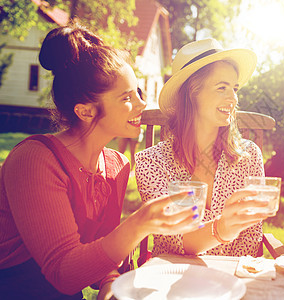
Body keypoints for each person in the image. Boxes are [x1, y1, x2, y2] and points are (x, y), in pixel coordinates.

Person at [0, 24, 199, 300]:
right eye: (127, 98)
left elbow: (99, 250)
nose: (142, 105)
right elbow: (63, 274)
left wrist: (109, 282)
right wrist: (139, 224)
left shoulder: (117, 165)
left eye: (138, 93)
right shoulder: (34, 160)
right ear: (85, 110)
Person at [135, 38, 271, 258]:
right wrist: (223, 228)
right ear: (192, 92)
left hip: (232, 281)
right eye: (222, 88)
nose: (234, 98)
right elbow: (174, 238)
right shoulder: (151, 162)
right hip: (172, 280)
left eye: (234, 88)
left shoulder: (248, 156)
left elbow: (252, 235)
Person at [117, 88, 145, 171]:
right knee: (120, 151)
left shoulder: (140, 104)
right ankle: (118, 169)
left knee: (133, 152)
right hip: (124, 130)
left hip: (135, 130)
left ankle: (132, 170)